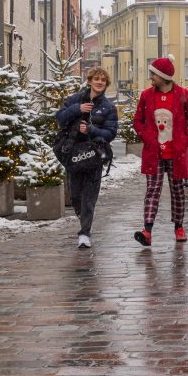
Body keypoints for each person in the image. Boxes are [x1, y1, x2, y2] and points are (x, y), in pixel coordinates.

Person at [132, 57, 188, 246]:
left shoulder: (183, 95)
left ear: (163, 76)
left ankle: (179, 227)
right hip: (154, 153)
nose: (151, 77)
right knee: (152, 191)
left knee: (177, 191)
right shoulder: (147, 95)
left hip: (176, 153)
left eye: (153, 74)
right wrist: (146, 137)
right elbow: (137, 121)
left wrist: (184, 141)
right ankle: (147, 231)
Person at [55, 67, 118, 249]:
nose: (99, 82)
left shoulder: (108, 107)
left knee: (89, 197)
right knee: (75, 196)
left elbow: (111, 133)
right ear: (89, 81)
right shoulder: (75, 100)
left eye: (103, 80)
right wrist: (77, 109)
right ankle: (84, 216)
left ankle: (84, 233)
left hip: (94, 155)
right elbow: (60, 118)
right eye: (96, 79)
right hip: (74, 153)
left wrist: (91, 130)